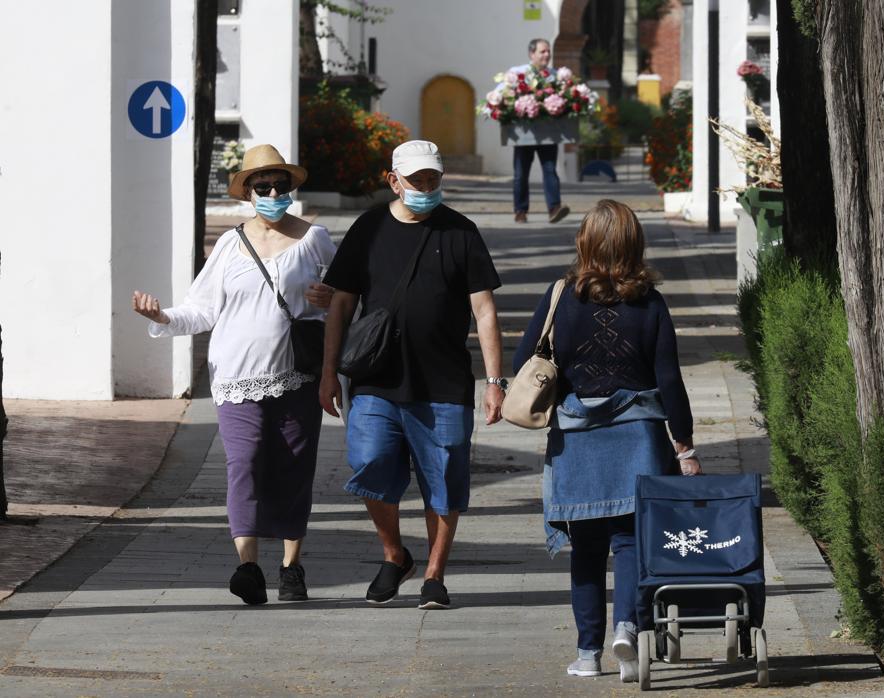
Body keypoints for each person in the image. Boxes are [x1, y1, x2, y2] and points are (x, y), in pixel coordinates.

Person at [132, 144, 336, 605]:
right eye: (261, 187)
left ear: (290, 189)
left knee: (293, 469)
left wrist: (332, 301)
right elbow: (201, 310)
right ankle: (247, 567)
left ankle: (290, 566)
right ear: (247, 194)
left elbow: (343, 302)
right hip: (236, 378)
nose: (271, 193)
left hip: (297, 375)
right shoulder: (230, 244)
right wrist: (162, 316)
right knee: (242, 465)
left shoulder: (315, 238)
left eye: (279, 186)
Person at [512, 199, 701, 682]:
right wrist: (685, 445)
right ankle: (628, 627)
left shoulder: (561, 296)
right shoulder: (651, 303)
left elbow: (523, 362)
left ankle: (587, 652)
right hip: (638, 436)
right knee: (631, 542)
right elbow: (670, 379)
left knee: (587, 550)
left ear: (585, 242)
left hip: (577, 440)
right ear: (635, 244)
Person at [319, 140, 505, 610]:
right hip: (376, 379)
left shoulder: (461, 232)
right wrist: (328, 374)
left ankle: (435, 574)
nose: (426, 187)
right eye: (417, 179)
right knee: (369, 462)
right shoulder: (368, 229)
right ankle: (395, 554)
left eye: (432, 179)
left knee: (444, 479)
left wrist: (496, 381)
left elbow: (484, 311)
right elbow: (340, 305)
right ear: (393, 180)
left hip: (444, 382)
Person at [508, 38, 572, 225]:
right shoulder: (518, 74)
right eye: (543, 51)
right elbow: (503, 93)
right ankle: (520, 211)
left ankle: (554, 209)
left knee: (550, 169)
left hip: (548, 132)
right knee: (521, 173)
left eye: (548, 51)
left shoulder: (555, 76)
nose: (547, 55)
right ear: (532, 54)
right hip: (524, 133)